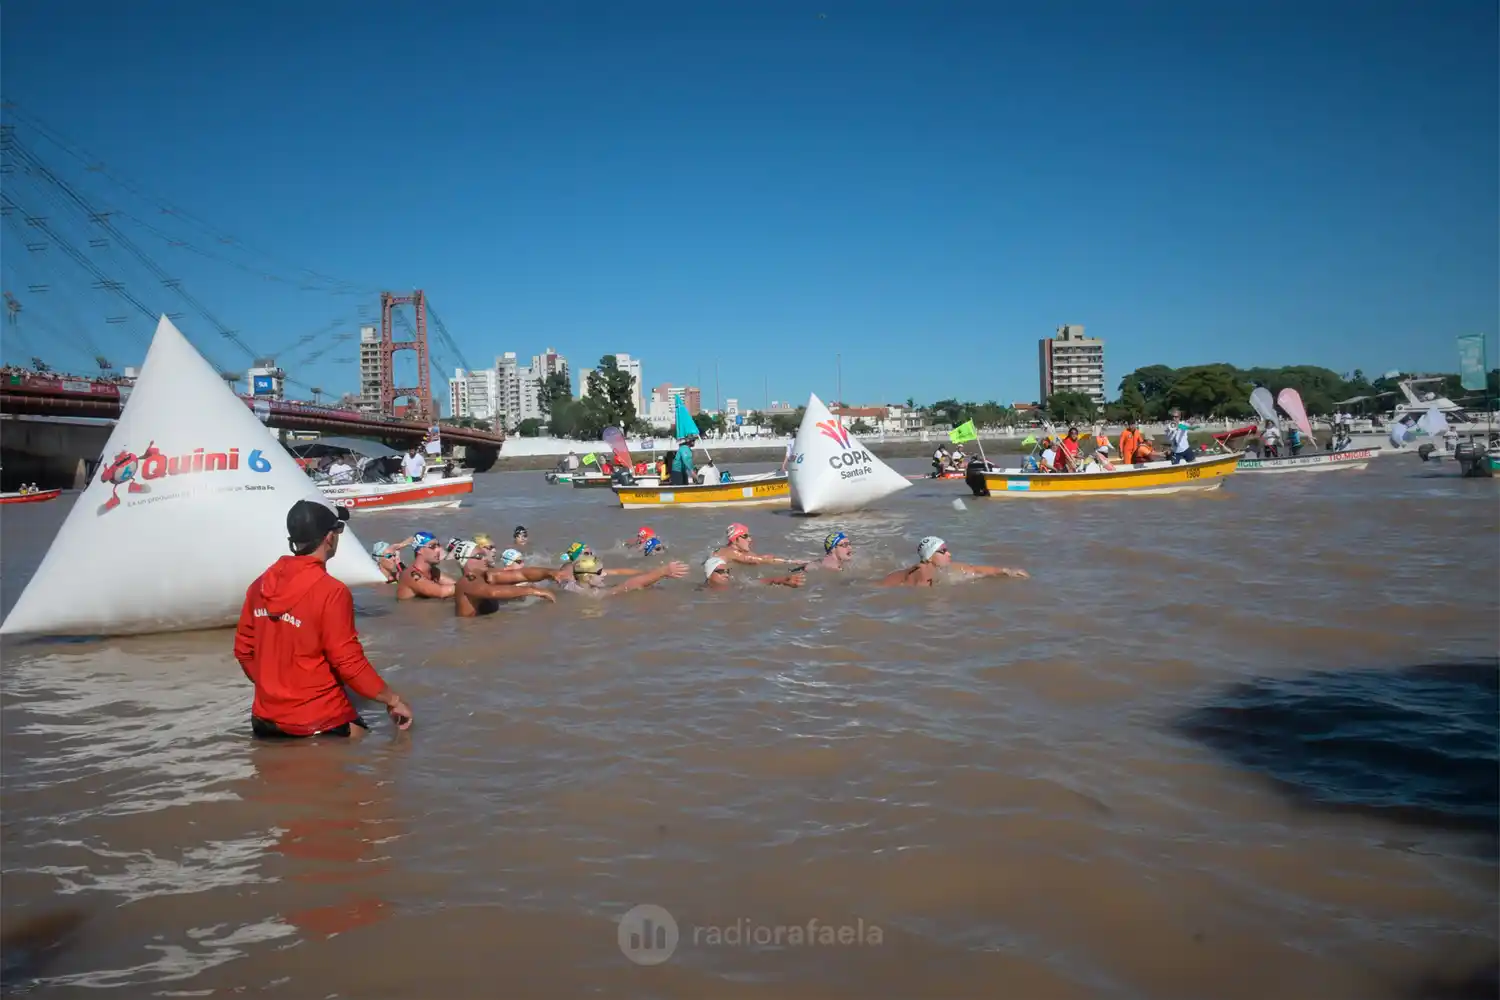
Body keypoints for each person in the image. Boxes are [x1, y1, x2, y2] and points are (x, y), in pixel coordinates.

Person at [234, 499, 413, 738]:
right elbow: (348, 662)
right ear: (329, 538)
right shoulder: (332, 591)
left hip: (265, 720)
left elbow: (244, 650)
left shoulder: (259, 585)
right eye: (338, 530)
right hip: (319, 719)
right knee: (390, 752)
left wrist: (275, 691)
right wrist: (392, 699)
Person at [453, 541, 557, 617]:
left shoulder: (487, 575)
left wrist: (551, 573)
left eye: (484, 555)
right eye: (479, 556)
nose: (485, 559)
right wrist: (534, 591)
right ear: (464, 561)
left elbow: (521, 574)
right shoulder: (466, 582)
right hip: (471, 635)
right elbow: (492, 592)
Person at [878, 536, 1029, 588]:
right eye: (943, 551)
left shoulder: (942, 567)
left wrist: (1006, 571)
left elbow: (974, 569)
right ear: (930, 557)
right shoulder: (923, 571)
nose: (949, 554)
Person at [561, 554, 688, 597]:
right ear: (588, 577)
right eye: (600, 572)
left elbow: (567, 569)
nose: (605, 573)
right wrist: (661, 572)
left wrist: (649, 574)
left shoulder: (570, 583)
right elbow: (629, 585)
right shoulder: (594, 595)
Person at [396, 535, 455, 600]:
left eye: (438, 545)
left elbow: (454, 584)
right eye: (432, 546)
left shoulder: (433, 571)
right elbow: (441, 592)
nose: (439, 550)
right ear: (419, 550)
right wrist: (465, 584)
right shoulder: (411, 575)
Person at [714, 523, 799, 566]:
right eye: (745, 536)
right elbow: (759, 560)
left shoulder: (734, 552)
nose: (750, 539)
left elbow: (759, 559)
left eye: (749, 536)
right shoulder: (731, 552)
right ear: (735, 540)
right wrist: (793, 562)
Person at [702, 555, 806, 589]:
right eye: (721, 571)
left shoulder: (734, 585)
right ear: (709, 574)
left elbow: (759, 582)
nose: (726, 574)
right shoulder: (700, 591)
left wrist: (783, 580)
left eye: (727, 571)